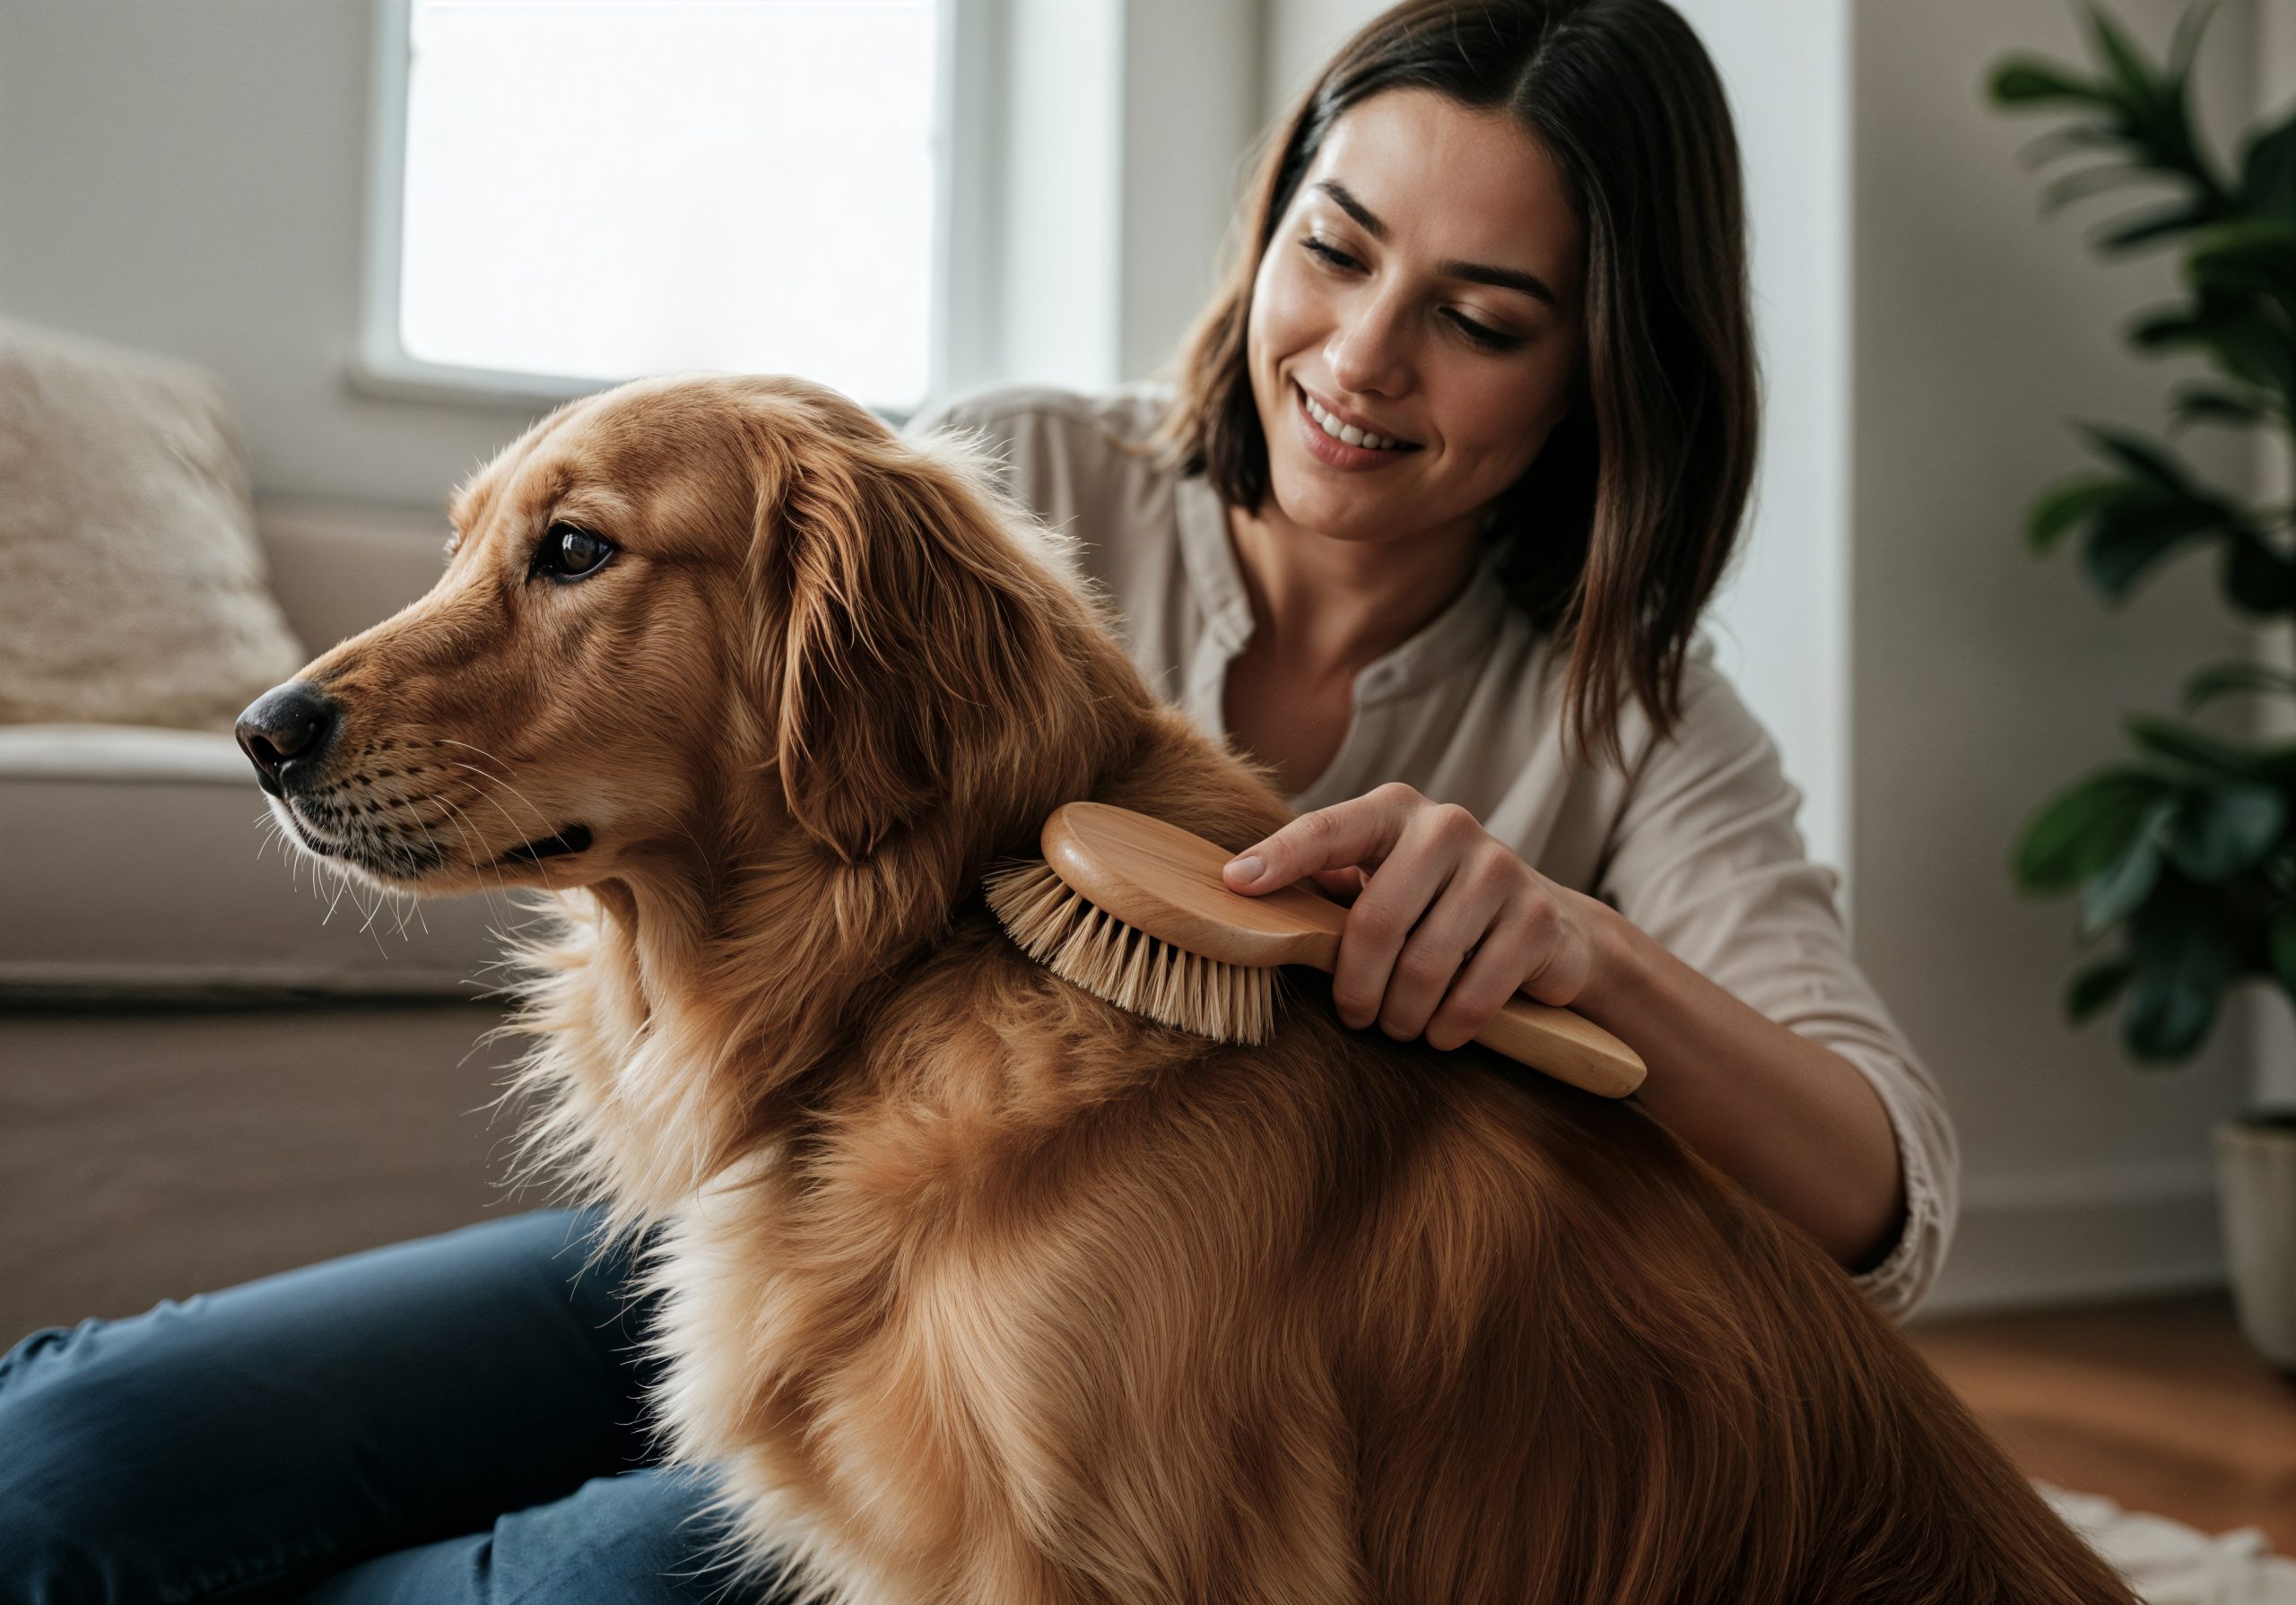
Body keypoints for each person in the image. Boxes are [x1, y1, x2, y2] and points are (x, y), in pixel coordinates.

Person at [0, 1, 1956, 1599]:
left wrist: (1578, 940)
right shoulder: (1005, 476)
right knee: (72, 1451)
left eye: (1480, 315)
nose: (1359, 356)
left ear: (1601, 375)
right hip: (779, 1187)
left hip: (1132, 1334)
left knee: (578, 1585)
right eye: (1333, 248)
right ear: (1266, 231)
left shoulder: (1636, 724)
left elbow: (1886, 1189)